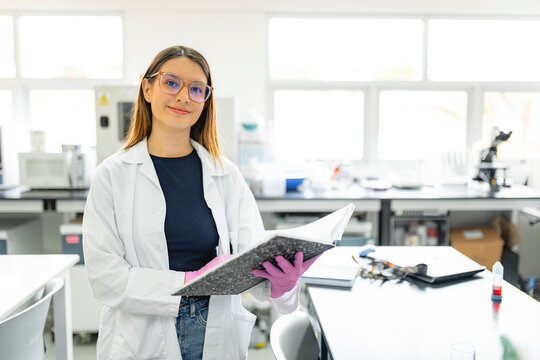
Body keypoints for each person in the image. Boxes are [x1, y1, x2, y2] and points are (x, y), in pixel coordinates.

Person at [82, 45, 319, 360]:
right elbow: (105, 278)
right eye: (171, 83)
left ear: (206, 100)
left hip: (214, 330)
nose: (184, 96)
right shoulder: (112, 176)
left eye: (197, 89)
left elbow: (254, 259)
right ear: (147, 88)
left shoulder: (226, 175)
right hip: (140, 337)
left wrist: (283, 283)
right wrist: (187, 282)